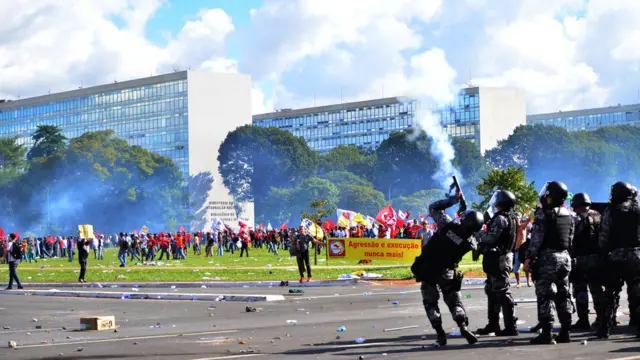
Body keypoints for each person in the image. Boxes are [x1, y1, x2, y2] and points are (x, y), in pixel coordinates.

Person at [411, 191, 484, 346]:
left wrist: (453, 200)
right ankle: (463, 326)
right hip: (448, 271)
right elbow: (469, 231)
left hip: (429, 268)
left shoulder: (447, 224)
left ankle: (440, 334)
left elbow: (434, 208)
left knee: (431, 303)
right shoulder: (470, 243)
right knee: (454, 302)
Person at [525, 181, 574, 344]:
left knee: (545, 295)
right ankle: (565, 332)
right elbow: (570, 239)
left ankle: (546, 332)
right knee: (564, 294)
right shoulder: (569, 215)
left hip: (548, 258)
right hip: (565, 257)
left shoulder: (543, 214)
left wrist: (529, 257)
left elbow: (536, 239)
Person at [597, 181, 640, 339]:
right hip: (636, 255)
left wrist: (604, 252)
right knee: (637, 291)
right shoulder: (638, 208)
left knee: (611, 292)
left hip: (616, 255)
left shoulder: (610, 211)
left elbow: (604, 235)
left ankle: (605, 328)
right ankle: (637, 324)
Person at [476, 190, 519, 336]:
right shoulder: (510, 217)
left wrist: (478, 232)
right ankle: (493, 324)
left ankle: (510, 326)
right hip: (500, 257)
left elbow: (491, 238)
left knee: (502, 292)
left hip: (499, 258)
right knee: (492, 291)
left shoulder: (501, 218)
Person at [568, 192, 603, 331]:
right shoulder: (599, 216)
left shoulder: (575, 218)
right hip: (597, 258)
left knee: (580, 290)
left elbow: (570, 239)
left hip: (580, 258)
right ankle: (602, 318)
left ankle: (583, 320)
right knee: (597, 290)